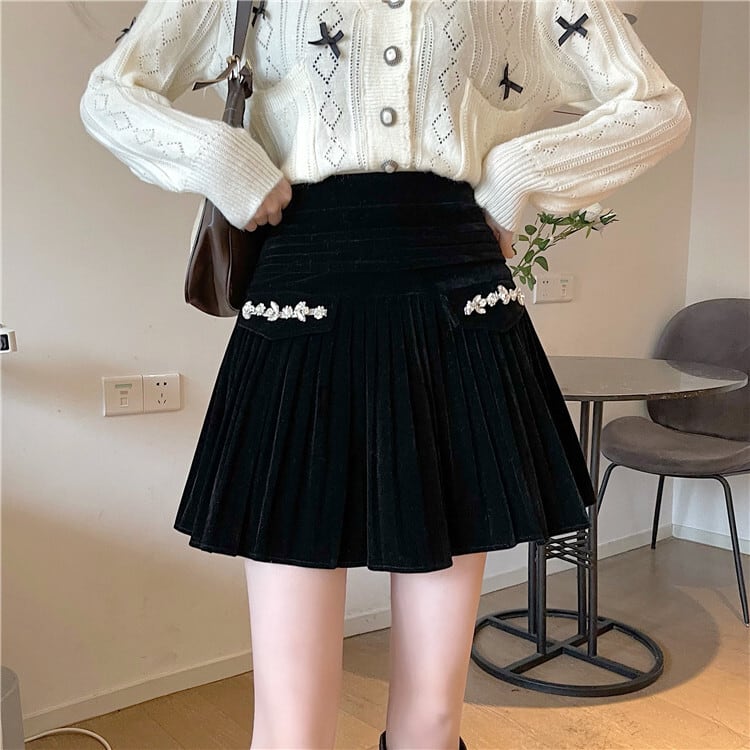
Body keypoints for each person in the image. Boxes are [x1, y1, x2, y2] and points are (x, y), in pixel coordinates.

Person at [79, 1, 691, 748]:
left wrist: (519, 173)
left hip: (457, 300)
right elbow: (112, 94)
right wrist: (221, 159)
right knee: (292, 726)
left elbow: (655, 108)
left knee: (431, 721)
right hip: (304, 299)